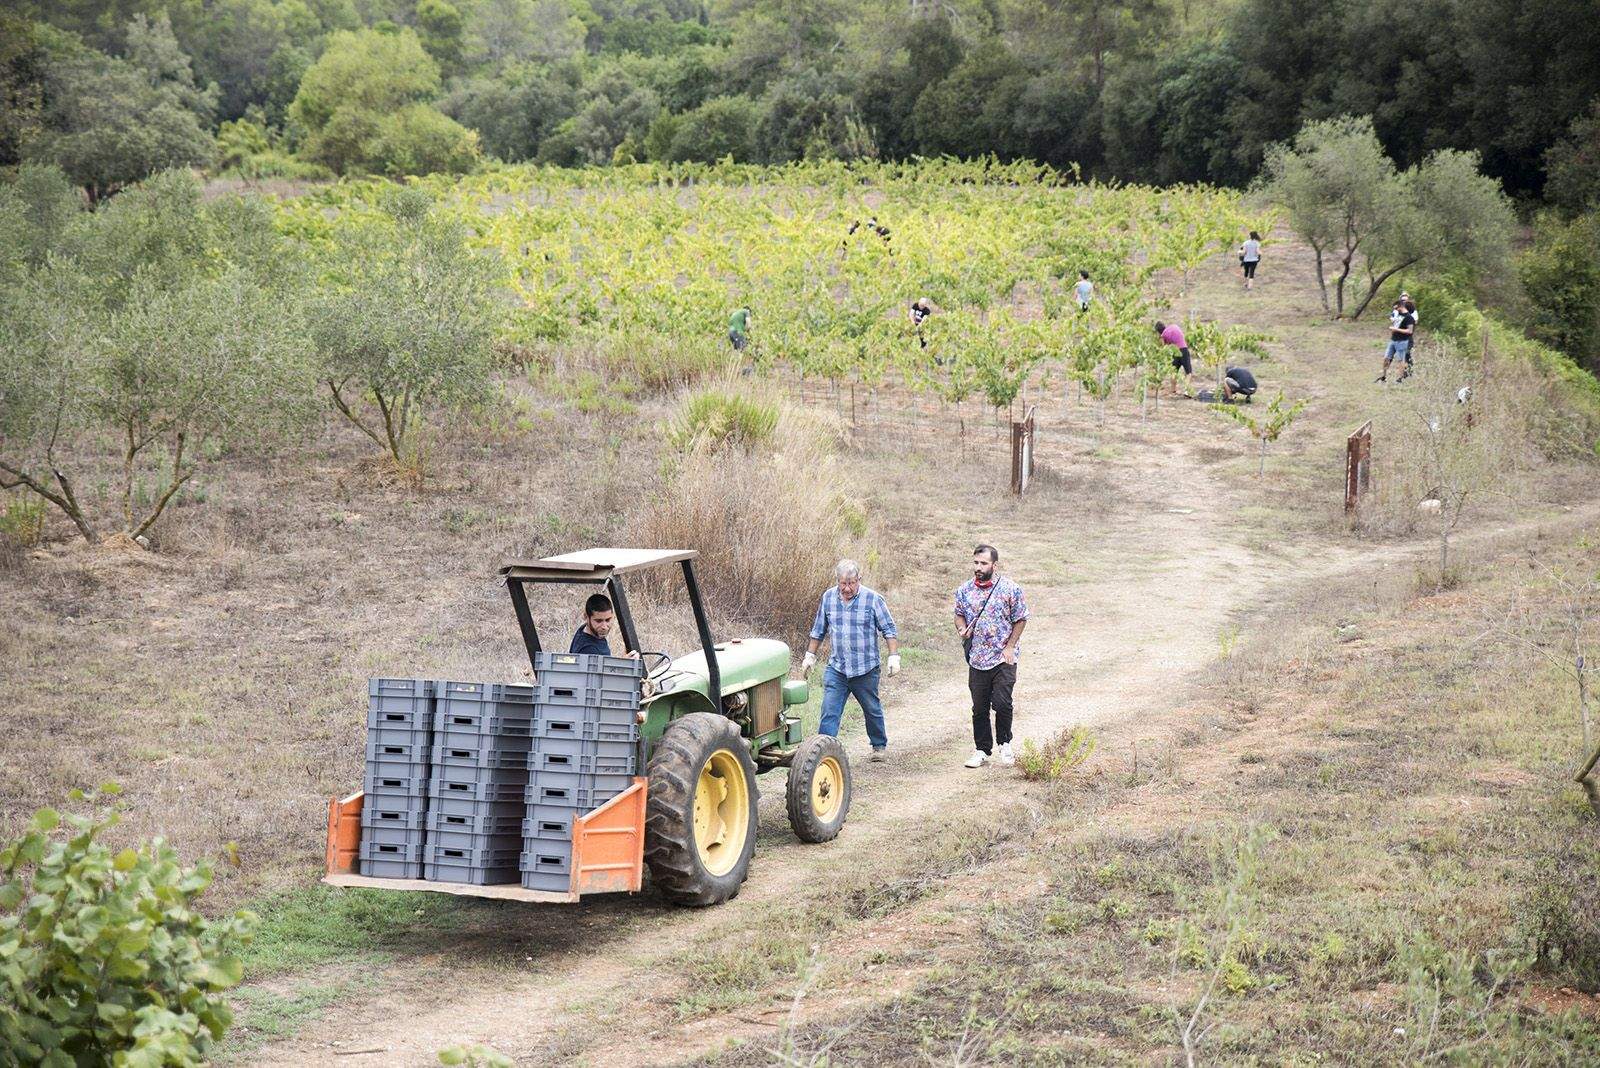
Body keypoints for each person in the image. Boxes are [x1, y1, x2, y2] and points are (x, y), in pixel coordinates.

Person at [801, 560, 900, 762]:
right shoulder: (828, 598)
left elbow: (889, 629)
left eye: (851, 583)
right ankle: (824, 752)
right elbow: (818, 629)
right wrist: (809, 656)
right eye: (842, 583)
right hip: (837, 667)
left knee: (871, 708)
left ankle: (878, 745)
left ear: (859, 580)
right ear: (837, 581)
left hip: (866, 668)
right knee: (829, 710)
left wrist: (893, 656)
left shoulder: (873, 599)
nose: (847, 588)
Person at [953, 544, 1028, 769]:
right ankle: (982, 750)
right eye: (976, 562)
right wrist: (962, 630)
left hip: (1003, 658)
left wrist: (1010, 646)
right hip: (977, 658)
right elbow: (958, 614)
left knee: (1003, 703)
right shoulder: (964, 590)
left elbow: (1021, 618)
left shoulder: (1009, 589)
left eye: (983, 563)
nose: (979, 567)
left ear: (994, 565)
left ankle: (1005, 744)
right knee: (979, 707)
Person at [570, 593, 637, 658]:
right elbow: (600, 669)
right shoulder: (589, 650)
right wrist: (624, 664)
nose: (604, 627)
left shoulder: (585, 630)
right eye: (599, 621)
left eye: (608, 620)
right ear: (586, 617)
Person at [1377, 300, 1416, 383]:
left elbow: (1410, 331)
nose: (1395, 310)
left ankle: (1399, 380)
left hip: (1402, 342)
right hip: (1393, 340)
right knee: (1386, 358)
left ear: (1401, 306)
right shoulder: (1399, 314)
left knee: (1400, 361)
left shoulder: (1409, 318)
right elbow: (1397, 323)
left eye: (1396, 308)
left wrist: (1396, 329)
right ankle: (1383, 377)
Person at [1154, 321, 1194, 396]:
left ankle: (1173, 390)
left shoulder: (1163, 335)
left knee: (1174, 371)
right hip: (1184, 350)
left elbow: (1164, 348)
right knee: (1188, 372)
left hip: (1175, 353)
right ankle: (1186, 390)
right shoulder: (1174, 326)